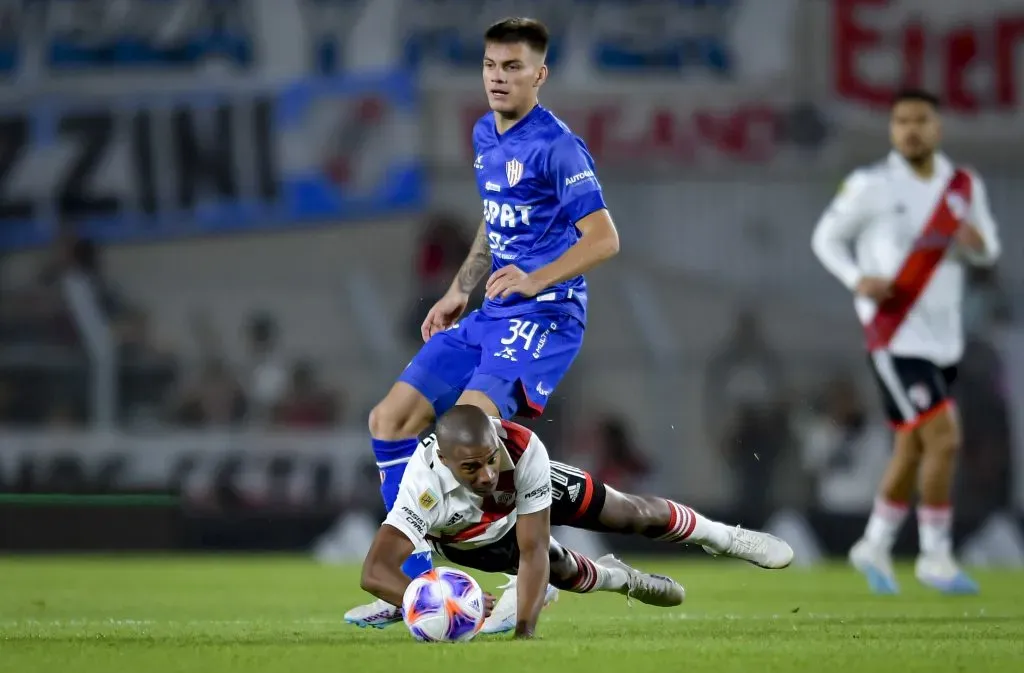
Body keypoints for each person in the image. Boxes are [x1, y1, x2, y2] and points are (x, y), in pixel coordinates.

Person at [348, 17, 621, 631]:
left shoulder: (558, 147)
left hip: (542, 314)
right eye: (491, 66)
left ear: (540, 74)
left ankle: (535, 573)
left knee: (469, 438)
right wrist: (457, 289)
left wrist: (535, 277)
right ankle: (424, 584)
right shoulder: (483, 132)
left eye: (513, 67)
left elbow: (604, 239)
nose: (498, 78)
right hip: (490, 311)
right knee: (390, 420)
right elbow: (495, 218)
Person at [359, 406, 795, 639]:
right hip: (470, 537)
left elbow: (532, 550)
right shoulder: (422, 486)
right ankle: (620, 579)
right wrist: (429, 599)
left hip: (530, 495)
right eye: (471, 468)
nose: (488, 474)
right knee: (562, 568)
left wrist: (525, 635)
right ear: (444, 461)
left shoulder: (522, 447)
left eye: (491, 459)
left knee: (630, 513)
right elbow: (375, 572)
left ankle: (727, 538)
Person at [811, 88, 1000, 595]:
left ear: (937, 127)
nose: (911, 129)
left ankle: (873, 543)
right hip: (894, 334)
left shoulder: (962, 187)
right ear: (893, 130)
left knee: (913, 447)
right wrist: (857, 278)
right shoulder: (870, 185)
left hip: (944, 340)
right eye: (901, 121)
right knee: (945, 438)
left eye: (920, 120)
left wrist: (977, 249)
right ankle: (935, 557)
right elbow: (825, 238)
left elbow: (987, 252)